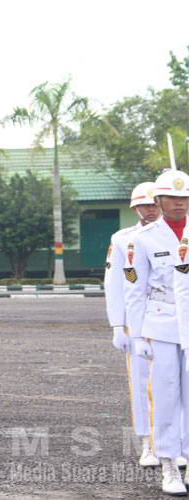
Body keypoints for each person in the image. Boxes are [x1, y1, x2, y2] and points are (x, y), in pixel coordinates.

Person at [124, 169, 189, 495]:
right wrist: (136, 335)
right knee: (165, 394)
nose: (180, 203)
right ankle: (168, 463)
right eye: (172, 197)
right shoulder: (143, 239)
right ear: (159, 200)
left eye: (185, 197)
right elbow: (134, 291)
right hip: (161, 324)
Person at [104, 182, 160, 468]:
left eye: (155, 203)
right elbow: (115, 284)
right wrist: (117, 325)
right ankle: (148, 442)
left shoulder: (181, 235)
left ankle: (178, 442)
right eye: (144, 205)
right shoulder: (122, 239)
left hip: (173, 316)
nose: (151, 209)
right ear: (135, 208)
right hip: (138, 319)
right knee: (140, 382)